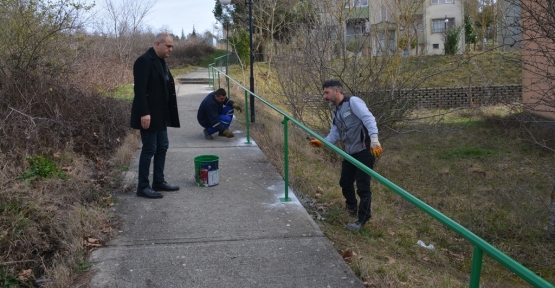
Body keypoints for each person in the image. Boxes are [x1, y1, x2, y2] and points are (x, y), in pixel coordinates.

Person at [309, 79, 382, 232]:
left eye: (327, 92)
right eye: (324, 93)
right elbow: (334, 134)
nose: (324, 96)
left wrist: (374, 140)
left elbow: (369, 118)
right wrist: (323, 142)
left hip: (365, 150)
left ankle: (363, 219)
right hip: (350, 153)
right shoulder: (336, 112)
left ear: (337, 91)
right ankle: (351, 208)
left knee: (363, 187)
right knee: (345, 182)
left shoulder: (353, 102)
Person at [129, 33, 181, 199]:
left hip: (160, 115)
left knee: (162, 146)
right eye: (168, 46)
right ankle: (143, 187)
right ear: (157, 44)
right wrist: (144, 113)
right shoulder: (144, 61)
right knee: (150, 148)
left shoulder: (161, 61)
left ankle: (158, 181)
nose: (170, 49)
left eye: (172, 46)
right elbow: (139, 90)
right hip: (149, 115)